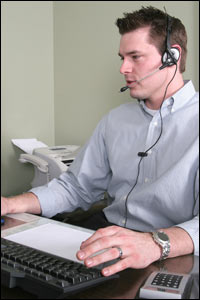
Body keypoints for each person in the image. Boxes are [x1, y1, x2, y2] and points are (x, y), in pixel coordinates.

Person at [1, 6, 199, 277]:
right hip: (106, 234)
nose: (123, 68)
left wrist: (155, 243)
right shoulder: (115, 121)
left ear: (172, 56)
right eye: (122, 57)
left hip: (169, 250)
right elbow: (76, 188)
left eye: (135, 57)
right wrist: (10, 204)